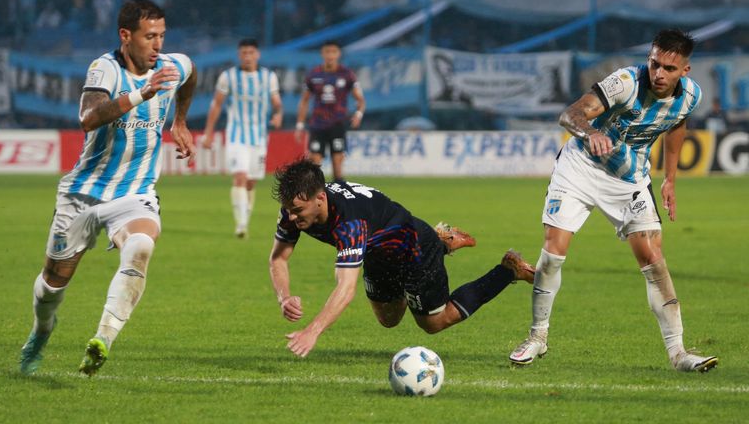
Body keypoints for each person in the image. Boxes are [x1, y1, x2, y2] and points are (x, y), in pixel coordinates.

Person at [508, 29, 718, 372]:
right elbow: (571, 114)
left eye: (668, 68)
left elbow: (677, 123)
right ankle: (537, 337)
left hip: (628, 178)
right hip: (580, 167)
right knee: (553, 251)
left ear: (685, 70)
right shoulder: (625, 82)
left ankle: (679, 354)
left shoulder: (690, 96)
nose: (659, 74)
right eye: (654, 64)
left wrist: (671, 179)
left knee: (653, 259)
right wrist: (591, 133)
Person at [19, 0, 197, 377]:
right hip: (83, 193)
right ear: (125, 36)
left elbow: (191, 74)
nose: (158, 45)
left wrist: (179, 121)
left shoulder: (171, 66)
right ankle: (41, 331)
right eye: (149, 37)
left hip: (136, 192)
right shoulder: (105, 68)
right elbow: (88, 118)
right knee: (53, 284)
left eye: (162, 36)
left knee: (141, 247)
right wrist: (141, 94)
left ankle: (103, 339)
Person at [268, 158, 536, 358]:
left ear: (320, 198)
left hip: (415, 249)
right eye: (288, 209)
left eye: (297, 210)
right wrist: (284, 297)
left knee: (433, 322)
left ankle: (507, 270)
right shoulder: (296, 207)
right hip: (377, 251)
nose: (291, 217)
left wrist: (312, 331)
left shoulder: (350, 223)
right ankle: (442, 241)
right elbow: (278, 259)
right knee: (388, 319)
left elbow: (346, 287)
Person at [202, 38, 283, 238]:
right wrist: (209, 132)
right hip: (236, 135)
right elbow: (217, 105)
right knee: (240, 177)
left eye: (251, 53)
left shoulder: (268, 77)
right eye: (244, 53)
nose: (247, 57)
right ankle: (241, 225)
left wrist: (278, 114)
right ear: (239, 55)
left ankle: (244, 217)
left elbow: (276, 102)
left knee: (251, 182)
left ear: (258, 54)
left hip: (259, 136)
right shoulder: (228, 77)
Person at [295, 40, 366, 182]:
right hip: (317, 124)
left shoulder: (347, 74)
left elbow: (360, 100)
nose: (330, 55)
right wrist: (300, 125)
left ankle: (338, 197)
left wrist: (358, 114)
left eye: (333, 52)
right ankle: (316, 198)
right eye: (327, 52)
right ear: (322, 54)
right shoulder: (314, 74)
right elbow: (304, 100)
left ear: (338, 54)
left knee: (337, 163)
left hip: (337, 124)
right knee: (314, 162)